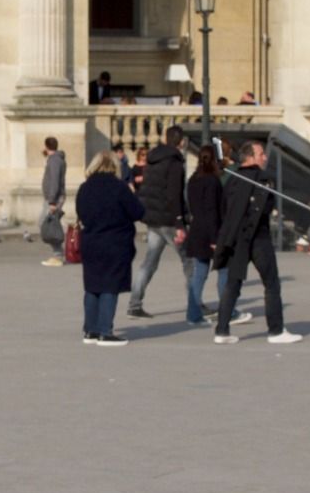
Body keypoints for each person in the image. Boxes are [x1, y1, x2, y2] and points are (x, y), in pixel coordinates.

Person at [214, 139, 300, 345]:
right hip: (257, 237)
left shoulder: (231, 180)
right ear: (250, 157)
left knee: (232, 285)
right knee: (271, 284)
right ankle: (276, 331)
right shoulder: (261, 179)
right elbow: (263, 207)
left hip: (236, 238)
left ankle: (222, 330)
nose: (265, 157)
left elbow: (225, 208)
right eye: (261, 154)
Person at [74, 150, 143, 346]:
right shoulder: (119, 187)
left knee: (92, 286)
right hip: (115, 241)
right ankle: (106, 331)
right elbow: (137, 211)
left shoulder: (85, 188)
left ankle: (90, 330)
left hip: (90, 240)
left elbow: (80, 212)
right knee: (109, 286)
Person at [126, 126, 189, 316]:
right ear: (181, 142)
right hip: (168, 219)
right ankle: (195, 303)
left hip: (153, 218)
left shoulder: (153, 160)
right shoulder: (175, 163)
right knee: (190, 261)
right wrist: (180, 222)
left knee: (149, 262)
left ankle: (134, 304)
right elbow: (174, 194)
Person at [182, 145, 228, 325]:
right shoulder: (212, 181)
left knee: (199, 273)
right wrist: (215, 238)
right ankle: (227, 311)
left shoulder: (193, 179)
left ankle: (193, 314)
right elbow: (212, 210)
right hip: (211, 231)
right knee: (224, 270)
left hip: (197, 230)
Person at [38, 137, 67, 268]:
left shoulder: (55, 161)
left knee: (48, 224)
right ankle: (58, 253)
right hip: (53, 197)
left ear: (46, 146)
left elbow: (54, 181)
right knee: (48, 223)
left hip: (53, 198)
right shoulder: (55, 159)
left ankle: (58, 255)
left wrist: (52, 201)